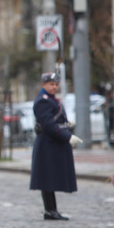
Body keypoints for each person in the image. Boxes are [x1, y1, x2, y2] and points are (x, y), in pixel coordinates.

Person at [29, 73, 80, 220]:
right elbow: (49, 125)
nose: (54, 87)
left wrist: (67, 124)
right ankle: (50, 210)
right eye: (51, 84)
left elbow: (56, 119)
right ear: (43, 85)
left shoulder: (51, 99)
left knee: (50, 177)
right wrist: (68, 136)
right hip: (48, 144)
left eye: (56, 84)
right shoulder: (42, 101)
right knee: (47, 178)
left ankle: (52, 209)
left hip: (54, 143)